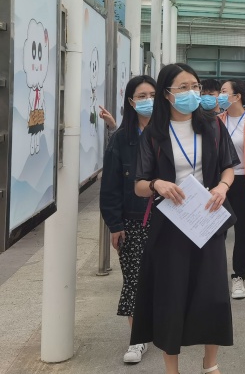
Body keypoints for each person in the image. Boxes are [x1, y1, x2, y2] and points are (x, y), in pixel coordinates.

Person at [131, 63, 238, 374]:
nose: (192, 92)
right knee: (171, 296)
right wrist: (156, 184)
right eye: (183, 87)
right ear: (167, 94)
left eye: (195, 86)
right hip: (170, 226)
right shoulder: (154, 134)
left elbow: (229, 167)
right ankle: (172, 369)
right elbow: (139, 184)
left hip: (207, 219)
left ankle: (210, 363)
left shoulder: (213, 126)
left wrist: (222, 186)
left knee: (213, 294)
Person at [99, 74, 157, 364]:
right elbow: (110, 186)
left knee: (165, 277)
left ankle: (163, 327)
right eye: (142, 96)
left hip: (169, 220)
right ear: (131, 102)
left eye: (153, 95)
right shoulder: (121, 139)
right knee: (134, 279)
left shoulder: (170, 134)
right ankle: (138, 338)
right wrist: (115, 225)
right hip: (133, 220)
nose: (148, 101)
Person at [218, 79, 245, 300]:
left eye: (224, 91)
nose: (219, 95)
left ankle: (238, 276)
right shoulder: (217, 120)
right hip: (220, 183)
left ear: (237, 96)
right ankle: (215, 274)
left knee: (243, 231)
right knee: (217, 230)